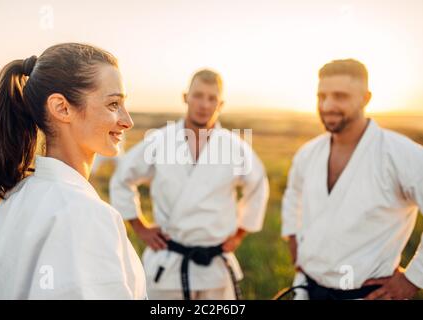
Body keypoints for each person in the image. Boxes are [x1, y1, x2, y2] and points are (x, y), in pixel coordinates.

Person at [0, 43, 146, 299]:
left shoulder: (15, 198)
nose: (127, 121)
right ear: (61, 108)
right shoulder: (87, 214)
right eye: (113, 104)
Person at [109, 69, 269, 300]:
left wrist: (240, 233)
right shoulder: (160, 140)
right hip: (168, 264)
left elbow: (258, 186)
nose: (204, 104)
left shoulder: (234, 147)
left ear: (220, 104)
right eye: (198, 95)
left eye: (212, 98)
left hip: (215, 269)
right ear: (186, 97)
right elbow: (122, 177)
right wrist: (140, 226)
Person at [281, 59, 423, 300]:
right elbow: (293, 195)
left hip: (365, 294)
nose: (327, 105)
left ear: (366, 98)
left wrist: (413, 279)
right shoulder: (308, 152)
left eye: (340, 96)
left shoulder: (401, 154)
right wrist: (293, 239)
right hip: (307, 288)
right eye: (321, 96)